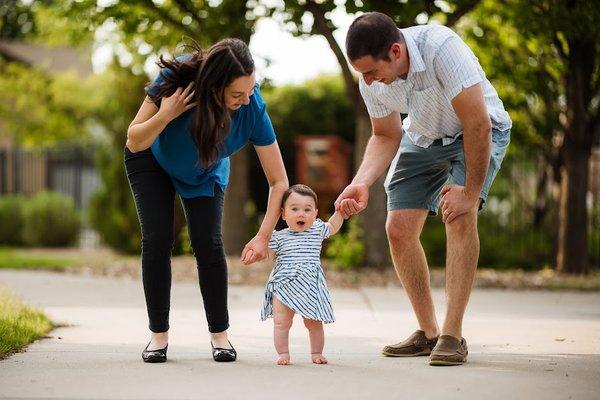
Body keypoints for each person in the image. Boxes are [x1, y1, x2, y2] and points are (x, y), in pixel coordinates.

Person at [335, 12, 512, 366]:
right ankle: (428, 333)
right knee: (398, 229)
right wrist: (360, 182)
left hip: (475, 132)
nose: (368, 81)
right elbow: (386, 134)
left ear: (396, 51)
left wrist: (470, 192)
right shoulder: (370, 81)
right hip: (423, 136)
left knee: (459, 216)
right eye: (362, 74)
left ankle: (451, 335)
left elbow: (477, 122)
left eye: (371, 71)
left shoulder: (441, 48)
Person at [125, 38, 288, 363]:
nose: (246, 99)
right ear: (214, 86)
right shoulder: (177, 79)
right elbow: (134, 139)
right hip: (151, 159)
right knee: (157, 239)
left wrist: (264, 234)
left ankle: (220, 336)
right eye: (236, 94)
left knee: (208, 244)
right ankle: (158, 336)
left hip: (203, 171)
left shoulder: (252, 107)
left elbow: (278, 180)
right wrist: (166, 114)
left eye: (251, 89)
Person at [258, 184, 345, 365]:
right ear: (283, 214)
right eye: (295, 209)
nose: (301, 214)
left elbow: (333, 226)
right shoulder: (278, 237)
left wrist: (340, 213)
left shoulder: (317, 230)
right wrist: (259, 251)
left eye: (307, 209)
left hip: (310, 284)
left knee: (313, 322)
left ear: (315, 213)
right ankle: (283, 353)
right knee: (282, 322)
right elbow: (268, 256)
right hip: (284, 284)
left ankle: (316, 352)